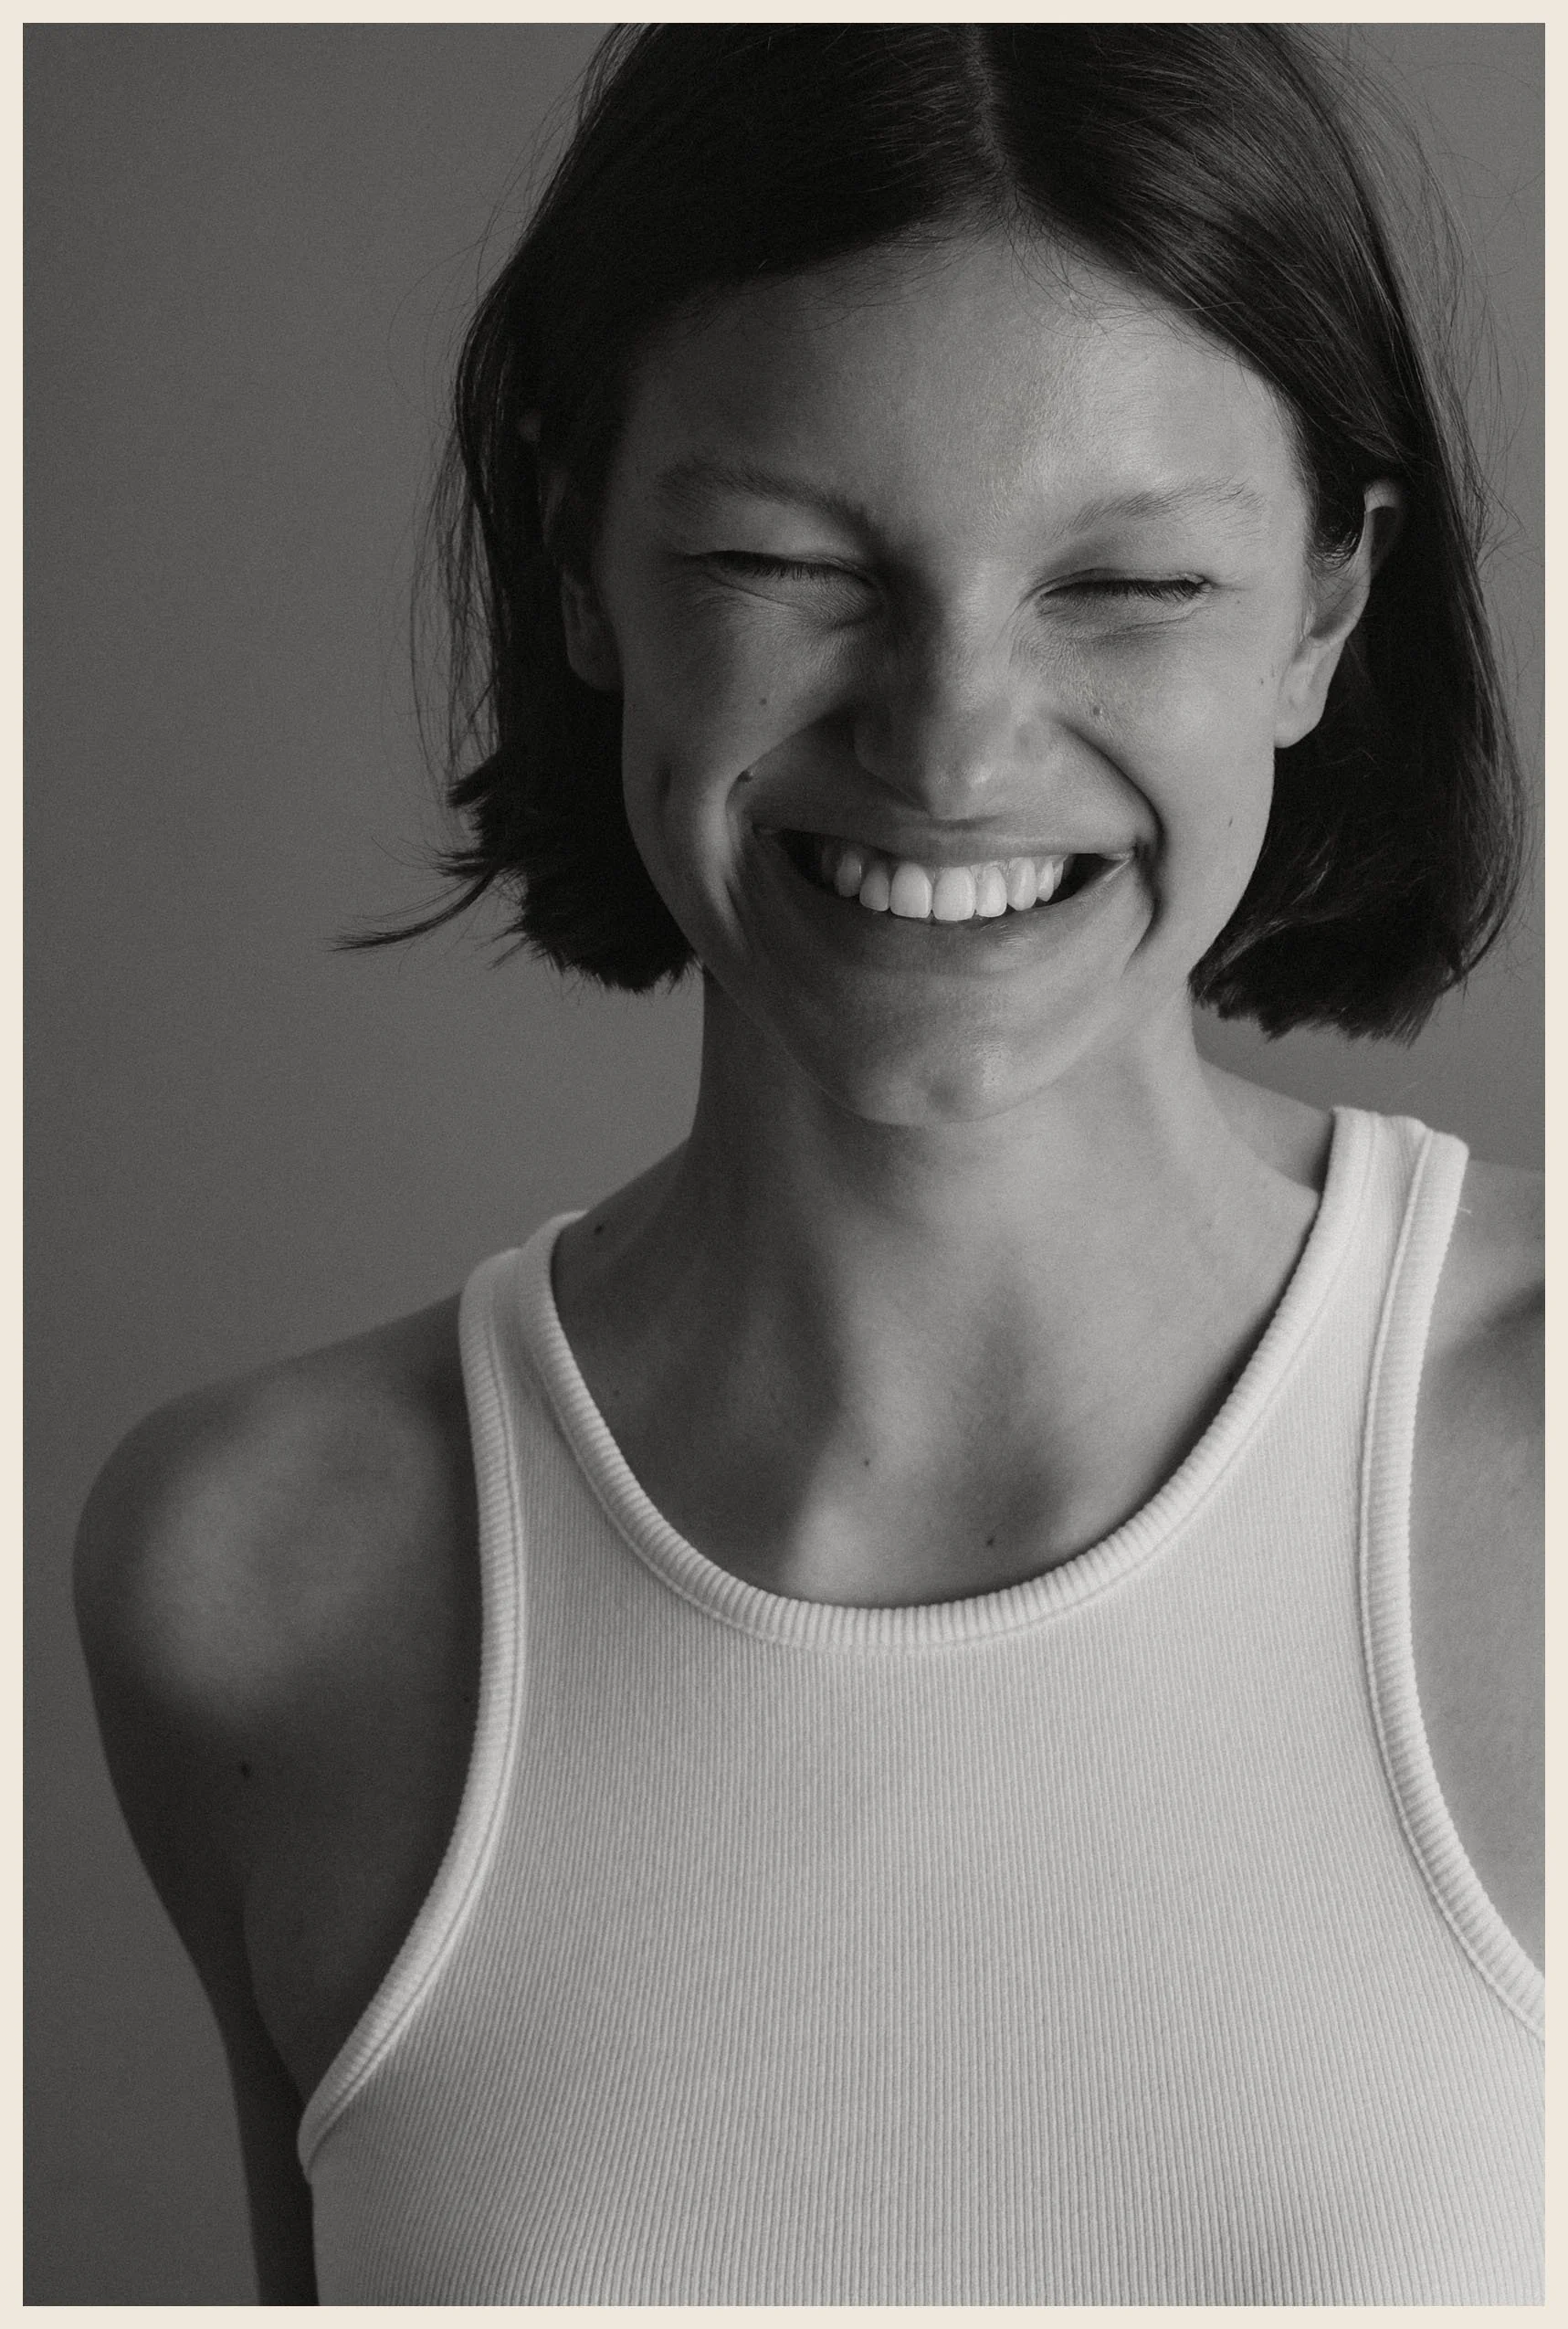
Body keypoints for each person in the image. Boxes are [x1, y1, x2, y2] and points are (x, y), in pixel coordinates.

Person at [74, 23, 1541, 2307]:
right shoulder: (257, 1578)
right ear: (585, 573)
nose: (951, 740)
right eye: (783, 561)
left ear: (1329, 612)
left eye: (1125, 587)